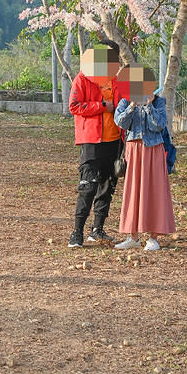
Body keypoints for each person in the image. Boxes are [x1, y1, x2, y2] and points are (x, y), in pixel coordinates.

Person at [68, 56, 128, 248]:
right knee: (88, 185)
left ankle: (97, 229)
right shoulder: (82, 79)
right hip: (92, 140)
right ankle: (77, 232)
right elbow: (74, 106)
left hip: (115, 140)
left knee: (107, 186)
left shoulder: (118, 81)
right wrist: (103, 106)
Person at [112, 88, 176, 251]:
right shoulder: (125, 101)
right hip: (133, 151)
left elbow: (159, 125)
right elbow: (120, 122)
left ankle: (153, 238)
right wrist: (133, 105)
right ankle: (133, 237)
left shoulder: (158, 102)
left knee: (155, 192)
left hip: (153, 150)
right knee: (133, 192)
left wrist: (149, 106)